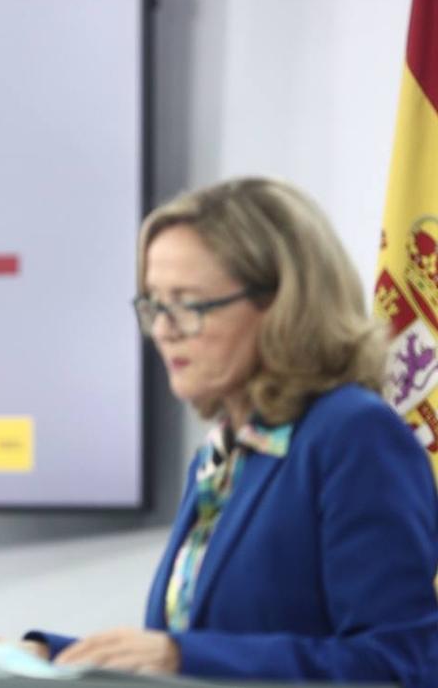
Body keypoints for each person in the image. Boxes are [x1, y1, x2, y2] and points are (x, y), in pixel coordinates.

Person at [25, 178, 438, 686]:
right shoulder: (222, 453)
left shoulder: (353, 436)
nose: (163, 329)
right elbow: (205, 641)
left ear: (283, 304)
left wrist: (181, 657)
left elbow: (400, 665)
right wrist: (51, 655)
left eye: (189, 304)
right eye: (155, 304)